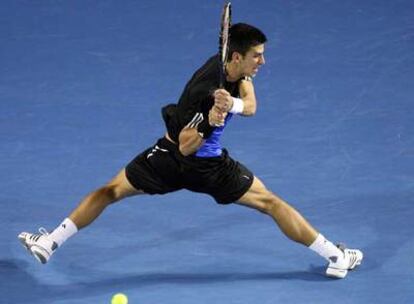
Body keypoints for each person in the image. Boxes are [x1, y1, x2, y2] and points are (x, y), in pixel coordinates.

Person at [18, 23, 362, 279]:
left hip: (163, 159)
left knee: (110, 192)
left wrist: (234, 106)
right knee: (271, 203)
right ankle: (336, 257)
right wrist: (212, 121)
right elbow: (187, 146)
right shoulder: (204, 91)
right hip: (198, 162)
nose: (263, 62)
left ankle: (50, 241)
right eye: (257, 56)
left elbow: (252, 106)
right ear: (238, 56)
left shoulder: (229, 65)